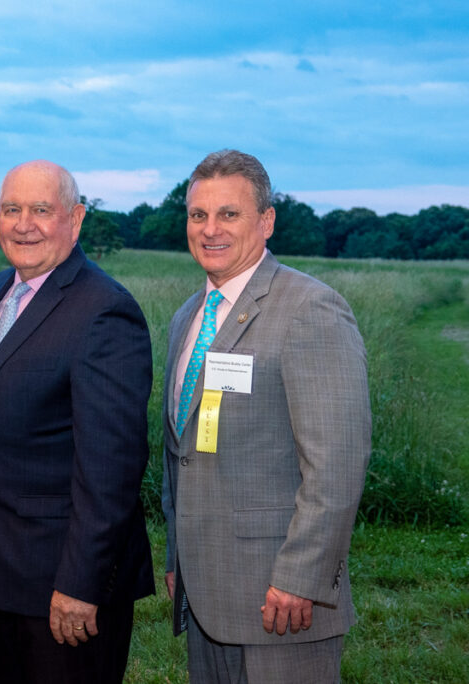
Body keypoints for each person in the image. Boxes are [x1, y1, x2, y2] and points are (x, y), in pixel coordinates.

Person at [162, 149, 371, 682]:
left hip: (280, 600)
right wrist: (176, 559)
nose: (210, 229)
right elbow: (180, 453)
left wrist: (302, 575)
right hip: (206, 591)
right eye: (197, 215)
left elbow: (337, 463)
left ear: (266, 221)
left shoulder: (310, 309)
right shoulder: (188, 316)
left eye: (228, 214)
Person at [0, 160, 154, 683]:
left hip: (63, 587)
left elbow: (111, 468)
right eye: (11, 209)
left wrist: (81, 584)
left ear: (76, 217)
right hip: (6, 573)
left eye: (41, 210)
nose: (24, 224)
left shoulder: (104, 311)